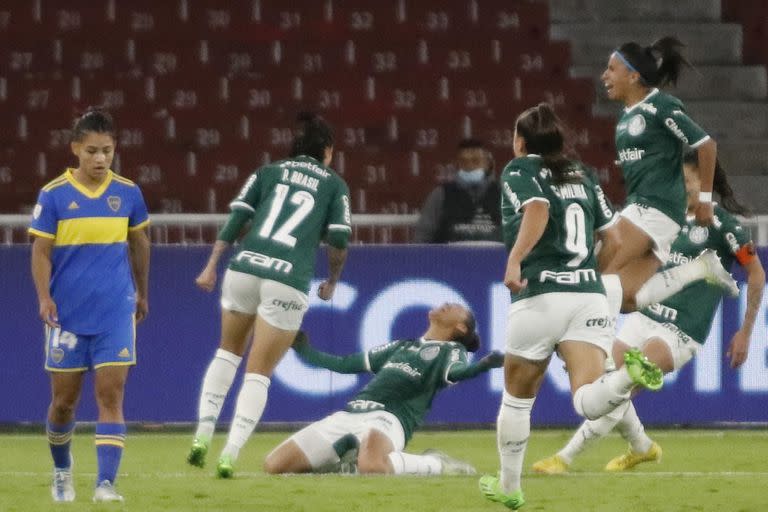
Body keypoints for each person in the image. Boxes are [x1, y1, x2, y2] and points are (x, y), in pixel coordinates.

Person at [478, 104, 664, 511]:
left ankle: (509, 486)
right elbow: (614, 241)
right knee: (588, 397)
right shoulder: (583, 174)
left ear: (520, 141)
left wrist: (514, 259)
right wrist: (585, 279)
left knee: (517, 398)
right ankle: (625, 376)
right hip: (589, 295)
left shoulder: (520, 170)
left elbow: (538, 210)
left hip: (540, 295)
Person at [532, 151, 764, 474]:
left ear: (703, 181)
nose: (683, 188)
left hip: (681, 332)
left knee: (624, 383)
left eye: (688, 181)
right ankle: (642, 447)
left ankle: (565, 458)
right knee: (606, 383)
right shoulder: (665, 222)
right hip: (644, 319)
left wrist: (746, 332)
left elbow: (756, 273)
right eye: (677, 182)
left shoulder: (721, 225)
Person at [186, 112, 352, 479]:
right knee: (258, 374)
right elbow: (339, 240)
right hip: (287, 278)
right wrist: (333, 280)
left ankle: (201, 435)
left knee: (226, 354)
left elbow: (237, 219)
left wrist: (212, 264)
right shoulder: (334, 184)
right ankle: (230, 453)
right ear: (327, 150)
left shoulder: (267, 172)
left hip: (244, 268)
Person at [28, 108, 151, 503]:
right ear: (76, 149)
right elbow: (41, 251)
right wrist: (44, 297)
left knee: (111, 397)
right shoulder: (54, 196)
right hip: (67, 315)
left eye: (107, 151)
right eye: (93, 151)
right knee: (64, 404)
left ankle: (105, 484)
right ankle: (62, 472)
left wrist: (142, 292)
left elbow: (140, 244)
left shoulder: (128, 193)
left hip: (116, 310)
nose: (100, 159)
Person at [263, 303, 503, 476]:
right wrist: (304, 350)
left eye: (455, 307)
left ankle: (436, 464)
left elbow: (456, 373)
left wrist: (483, 366)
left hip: (389, 418)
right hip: (350, 413)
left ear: (461, 328)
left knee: (373, 468)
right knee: (274, 465)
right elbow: (346, 364)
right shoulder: (401, 346)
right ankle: (342, 465)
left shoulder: (450, 350)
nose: (447, 304)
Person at [597, 36, 737, 329]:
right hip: (651, 212)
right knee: (625, 297)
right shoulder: (625, 118)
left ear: (634, 76)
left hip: (654, 209)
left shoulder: (659, 105)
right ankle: (699, 269)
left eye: (611, 69)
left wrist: (705, 200)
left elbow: (706, 145)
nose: (604, 76)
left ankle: (596, 349)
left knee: (596, 274)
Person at [414, 138, 501, 243]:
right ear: (457, 164)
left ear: (487, 163)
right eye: (464, 162)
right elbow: (423, 236)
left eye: (475, 161)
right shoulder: (441, 195)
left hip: (496, 258)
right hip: (448, 258)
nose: (470, 166)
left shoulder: (504, 195)